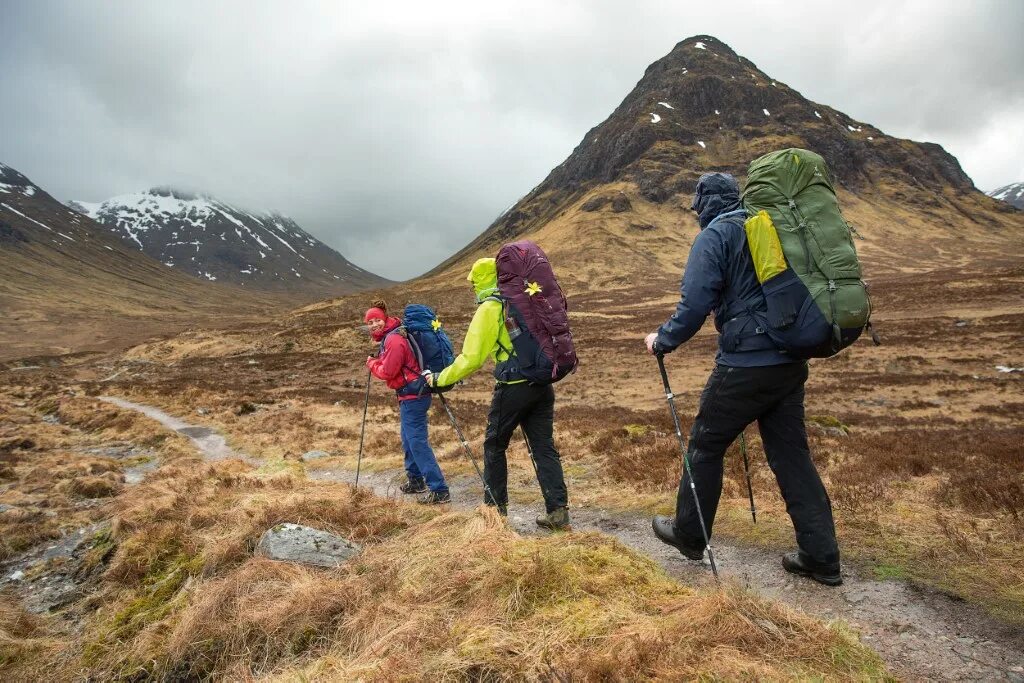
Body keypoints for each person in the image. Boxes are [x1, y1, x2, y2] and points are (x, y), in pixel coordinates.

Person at [645, 173, 842, 586]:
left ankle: (689, 533)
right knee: (792, 456)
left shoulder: (715, 236)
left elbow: (695, 302)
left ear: (704, 205)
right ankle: (821, 556)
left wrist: (662, 339)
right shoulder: (768, 226)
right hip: (789, 361)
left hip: (746, 363)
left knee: (705, 443)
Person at [423, 258, 570, 530]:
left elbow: (471, 358)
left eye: (474, 282)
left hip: (513, 386)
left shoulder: (490, 308)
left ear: (482, 280)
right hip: (542, 384)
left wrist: (438, 379)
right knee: (544, 448)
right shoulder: (523, 300)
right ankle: (558, 513)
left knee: (494, 446)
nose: (472, 288)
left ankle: (494, 513)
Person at [364, 300, 450, 504]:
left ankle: (439, 489)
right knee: (408, 438)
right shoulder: (392, 335)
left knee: (417, 441)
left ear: (385, 319)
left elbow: (388, 371)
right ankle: (416, 480)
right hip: (410, 394)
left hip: (414, 396)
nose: (374, 324)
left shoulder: (393, 340)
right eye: (370, 322)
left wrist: (372, 363)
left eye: (377, 320)